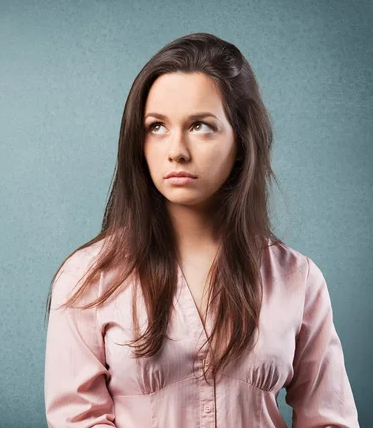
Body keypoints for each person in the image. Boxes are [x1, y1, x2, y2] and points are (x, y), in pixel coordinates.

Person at [43, 32, 359, 427]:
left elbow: (329, 419)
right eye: (156, 126)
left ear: (241, 140)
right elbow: (78, 418)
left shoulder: (298, 280)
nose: (176, 149)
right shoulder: (88, 278)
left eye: (200, 126)